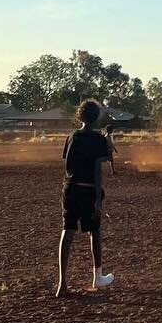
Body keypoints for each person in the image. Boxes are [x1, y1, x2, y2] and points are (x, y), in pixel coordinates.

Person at [56, 99, 114, 297]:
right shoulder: (98, 139)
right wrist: (98, 198)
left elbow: (68, 164)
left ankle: (62, 283)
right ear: (97, 117)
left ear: (79, 116)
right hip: (89, 190)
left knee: (67, 232)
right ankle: (97, 277)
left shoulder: (72, 136)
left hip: (70, 189)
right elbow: (98, 170)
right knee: (95, 232)